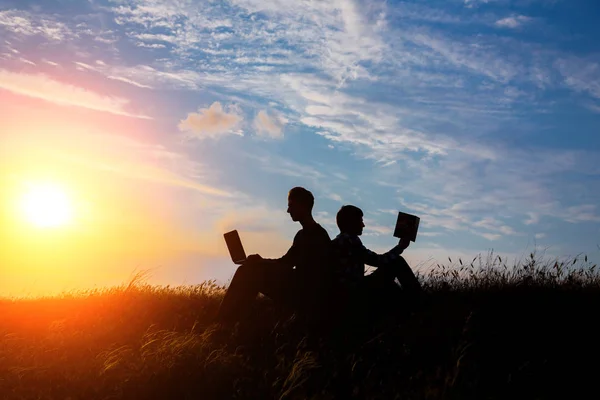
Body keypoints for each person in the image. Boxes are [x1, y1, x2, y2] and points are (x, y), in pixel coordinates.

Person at [217, 187, 333, 325]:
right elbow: (286, 261)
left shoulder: (319, 235)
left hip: (303, 292)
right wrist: (261, 261)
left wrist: (265, 265)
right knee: (247, 270)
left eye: (291, 205)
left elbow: (313, 275)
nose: (288, 210)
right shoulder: (301, 235)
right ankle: (228, 322)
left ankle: (223, 323)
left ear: (303, 206)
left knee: (249, 272)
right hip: (295, 286)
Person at [331, 205, 423, 324]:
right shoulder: (349, 241)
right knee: (397, 262)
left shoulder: (340, 240)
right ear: (351, 223)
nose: (363, 225)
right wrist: (400, 247)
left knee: (391, 283)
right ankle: (420, 302)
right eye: (361, 221)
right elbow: (378, 261)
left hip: (349, 291)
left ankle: (410, 308)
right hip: (354, 292)